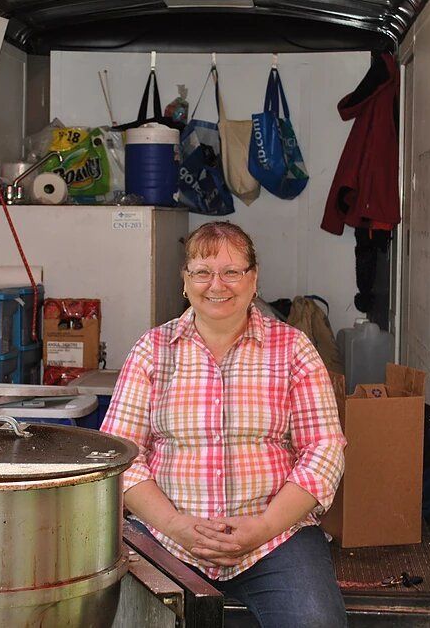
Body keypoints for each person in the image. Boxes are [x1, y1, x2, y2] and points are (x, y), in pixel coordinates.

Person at [100, 221, 348, 628]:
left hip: (275, 541)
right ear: (185, 282)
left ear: (254, 279)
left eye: (232, 271)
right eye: (202, 272)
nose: (217, 284)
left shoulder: (293, 349)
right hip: (167, 539)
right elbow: (121, 455)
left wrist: (264, 526)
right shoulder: (151, 351)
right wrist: (175, 525)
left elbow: (323, 449)